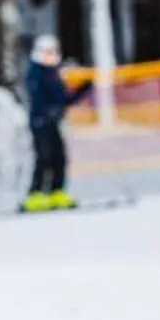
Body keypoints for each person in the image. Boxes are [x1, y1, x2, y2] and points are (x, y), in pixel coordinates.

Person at [22, 33, 93, 211]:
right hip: (40, 122)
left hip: (53, 122)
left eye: (51, 52)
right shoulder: (35, 73)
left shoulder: (54, 74)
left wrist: (82, 90)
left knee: (59, 157)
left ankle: (56, 191)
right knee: (43, 157)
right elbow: (36, 96)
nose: (48, 56)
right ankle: (35, 193)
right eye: (45, 52)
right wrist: (46, 112)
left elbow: (63, 100)